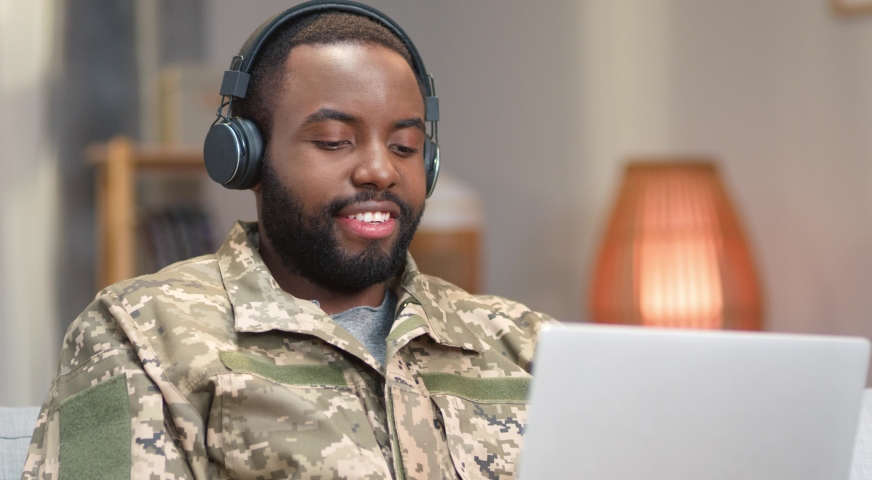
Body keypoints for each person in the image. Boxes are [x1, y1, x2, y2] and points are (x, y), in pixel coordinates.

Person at [23, 1, 554, 479]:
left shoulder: (529, 346)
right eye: (334, 141)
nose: (380, 171)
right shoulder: (139, 335)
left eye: (404, 145)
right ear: (246, 158)